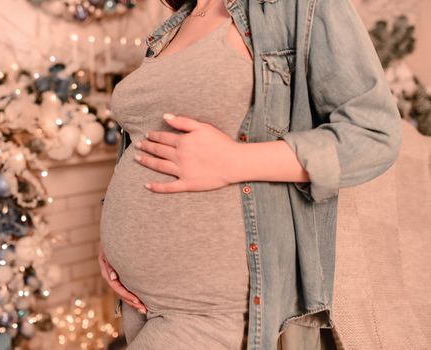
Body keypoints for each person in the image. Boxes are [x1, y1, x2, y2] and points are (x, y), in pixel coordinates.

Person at [98, 0, 402, 349]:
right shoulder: (178, 22)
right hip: (141, 301)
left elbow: (374, 134)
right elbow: (145, 140)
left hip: (212, 309)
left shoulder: (295, 7)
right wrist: (111, 236)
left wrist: (234, 160)